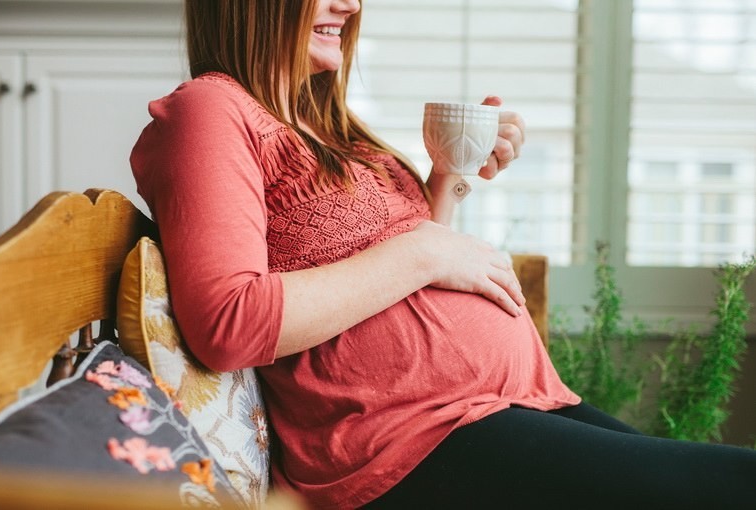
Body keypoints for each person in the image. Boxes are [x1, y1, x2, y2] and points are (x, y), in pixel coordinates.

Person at [130, 0, 756, 508]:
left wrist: (450, 180)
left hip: (501, 406)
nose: (349, 6)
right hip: (402, 443)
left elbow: (385, 265)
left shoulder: (323, 121)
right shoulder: (209, 111)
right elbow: (228, 322)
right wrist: (426, 254)